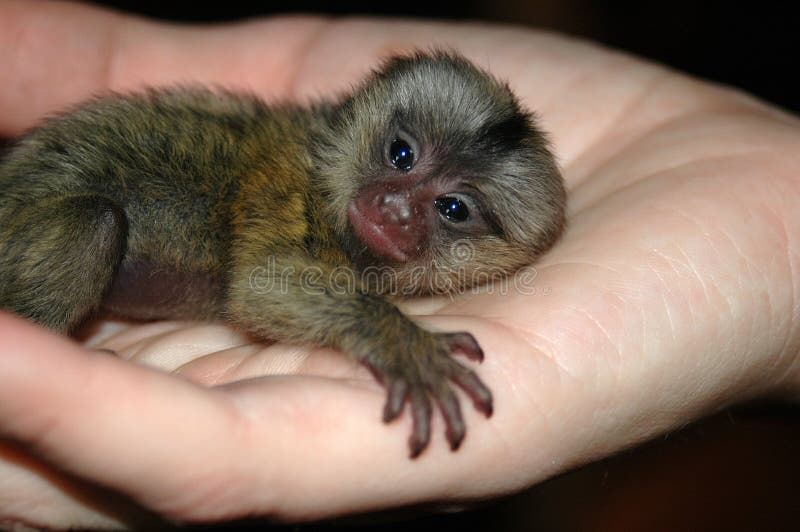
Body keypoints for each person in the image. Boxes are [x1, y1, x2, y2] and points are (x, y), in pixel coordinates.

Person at [1, 1, 798, 529]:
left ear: (497, 258)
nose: (396, 202)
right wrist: (389, 337)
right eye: (401, 154)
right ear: (358, 114)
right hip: (82, 203)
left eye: (452, 212)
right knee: (78, 244)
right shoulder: (289, 170)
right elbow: (265, 285)